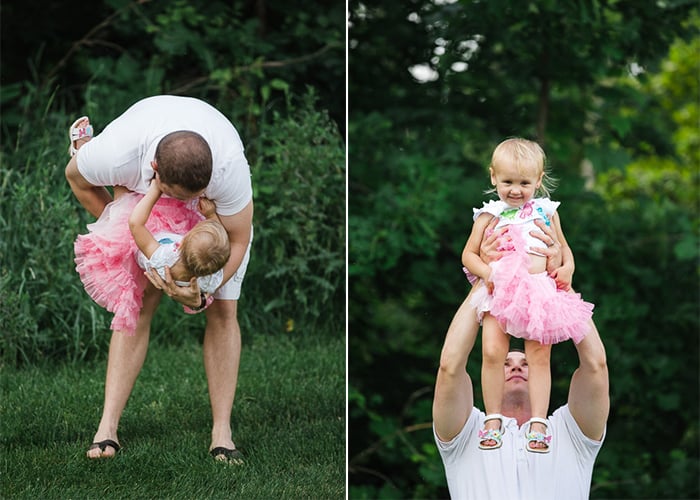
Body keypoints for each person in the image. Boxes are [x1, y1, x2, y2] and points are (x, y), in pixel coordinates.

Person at [65, 96, 254, 463]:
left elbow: (239, 240)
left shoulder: (228, 171)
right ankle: (107, 429)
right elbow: (75, 178)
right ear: (156, 172)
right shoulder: (117, 154)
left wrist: (205, 291)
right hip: (142, 186)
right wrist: (127, 233)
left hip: (213, 219)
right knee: (139, 302)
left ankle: (222, 433)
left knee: (224, 310)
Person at [432, 200, 609, 499]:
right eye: (506, 361)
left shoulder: (571, 434)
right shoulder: (467, 434)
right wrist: (491, 276)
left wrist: (558, 285)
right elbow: (450, 366)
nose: (516, 364)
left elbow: (596, 366)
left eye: (526, 361)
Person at [462, 138, 594, 453]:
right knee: (493, 353)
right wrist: (488, 272)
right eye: (507, 181)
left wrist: (569, 268)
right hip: (501, 290)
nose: (516, 190)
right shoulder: (489, 214)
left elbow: (562, 247)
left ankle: (538, 421)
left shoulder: (547, 210)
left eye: (524, 183)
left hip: (539, 292)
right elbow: (468, 255)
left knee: (539, 357)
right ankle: (493, 418)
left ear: (538, 180)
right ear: (493, 176)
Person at [73, 175, 231, 337]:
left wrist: (156, 189)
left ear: (182, 243)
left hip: (138, 242)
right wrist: (212, 215)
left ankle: (118, 174)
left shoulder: (166, 256)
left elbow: (135, 224)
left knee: (124, 198)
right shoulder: (211, 279)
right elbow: (218, 247)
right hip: (160, 263)